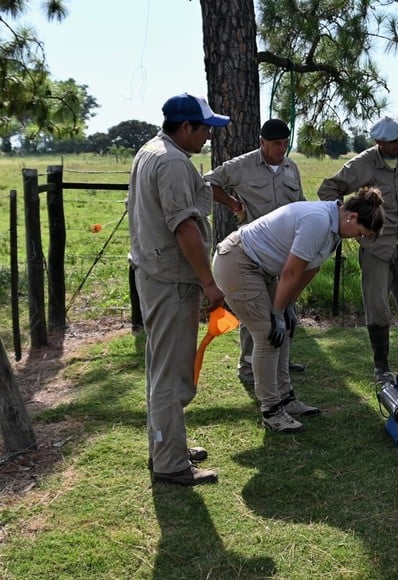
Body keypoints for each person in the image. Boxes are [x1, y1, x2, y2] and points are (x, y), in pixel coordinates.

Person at [128, 93, 237, 486]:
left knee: (160, 368)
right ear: (186, 127)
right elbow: (185, 228)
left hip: (154, 274)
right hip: (172, 280)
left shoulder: (152, 150)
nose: (209, 135)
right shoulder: (173, 162)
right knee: (172, 375)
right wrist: (209, 283)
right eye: (205, 127)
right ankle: (171, 463)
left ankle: (166, 446)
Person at [212, 187, 385, 433]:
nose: (357, 239)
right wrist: (276, 311)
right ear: (352, 217)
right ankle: (271, 410)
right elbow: (291, 271)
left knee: (284, 330)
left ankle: (286, 398)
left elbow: (307, 270)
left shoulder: (335, 232)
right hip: (237, 261)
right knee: (267, 333)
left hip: (261, 268)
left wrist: (288, 307)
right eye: (360, 233)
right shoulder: (318, 221)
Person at [317, 116, 398, 383]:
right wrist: (347, 222)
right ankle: (381, 365)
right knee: (377, 307)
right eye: (393, 141)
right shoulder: (362, 163)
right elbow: (328, 189)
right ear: (378, 142)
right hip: (375, 246)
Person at [204, 119, 308, 400]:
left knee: (284, 307)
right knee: (256, 310)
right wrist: (233, 204)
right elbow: (209, 183)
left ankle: (279, 363)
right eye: (276, 143)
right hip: (253, 251)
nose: (281, 148)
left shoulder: (290, 168)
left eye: (286, 143)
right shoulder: (242, 165)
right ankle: (248, 365)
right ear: (262, 142)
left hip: (284, 251)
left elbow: (300, 202)